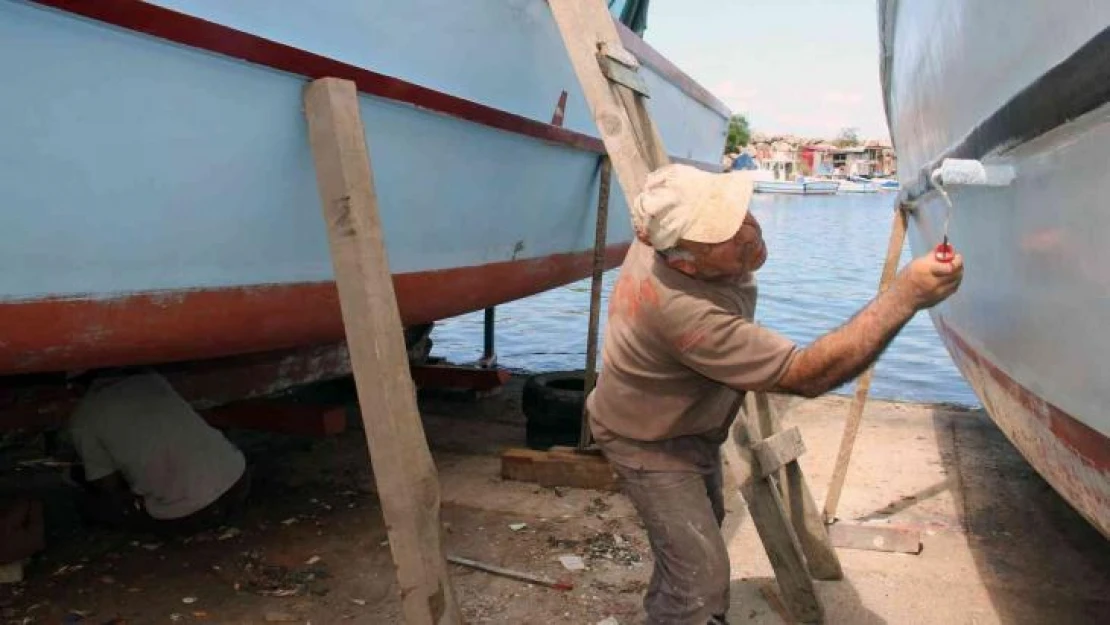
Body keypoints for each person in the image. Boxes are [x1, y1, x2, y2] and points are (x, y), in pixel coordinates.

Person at [586, 164, 963, 624]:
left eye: (739, 213)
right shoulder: (685, 315)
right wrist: (904, 296)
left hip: (679, 423)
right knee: (702, 582)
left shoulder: (662, 234)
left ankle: (667, 609)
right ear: (687, 264)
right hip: (648, 443)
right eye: (723, 235)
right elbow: (806, 375)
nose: (748, 231)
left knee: (693, 543)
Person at [66, 372, 251, 536]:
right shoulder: (151, 378)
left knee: (89, 501)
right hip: (238, 484)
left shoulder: (83, 416)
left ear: (75, 386)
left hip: (189, 515)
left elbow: (109, 486)